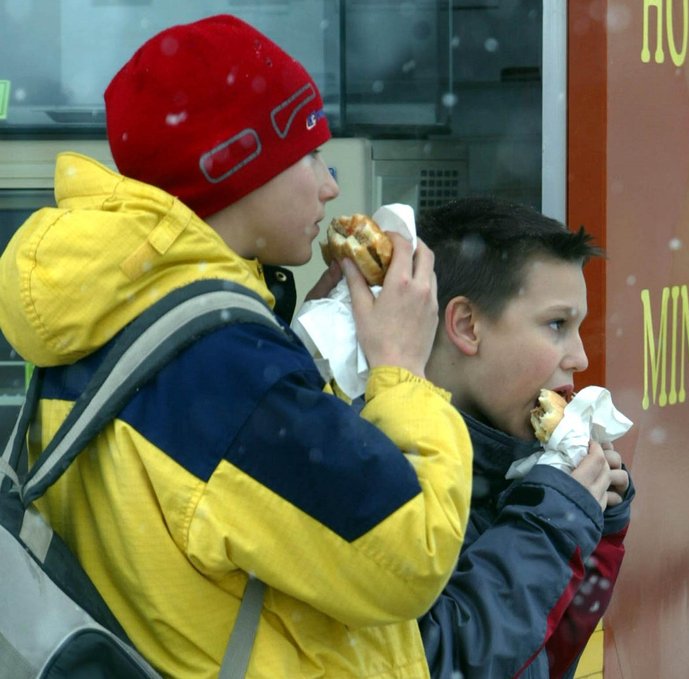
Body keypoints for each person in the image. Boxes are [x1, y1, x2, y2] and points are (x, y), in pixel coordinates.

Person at [0, 15, 472, 678]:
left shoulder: (122, 307)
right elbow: (410, 555)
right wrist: (403, 370)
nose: (330, 185)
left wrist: (296, 355)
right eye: (309, 155)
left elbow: (204, 510)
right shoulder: (227, 370)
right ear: (234, 165)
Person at [415, 196, 635, 678]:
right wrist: (555, 520)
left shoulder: (515, 475)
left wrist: (598, 528)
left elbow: (546, 660)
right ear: (467, 326)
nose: (578, 356)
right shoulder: (393, 469)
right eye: (556, 324)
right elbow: (445, 662)